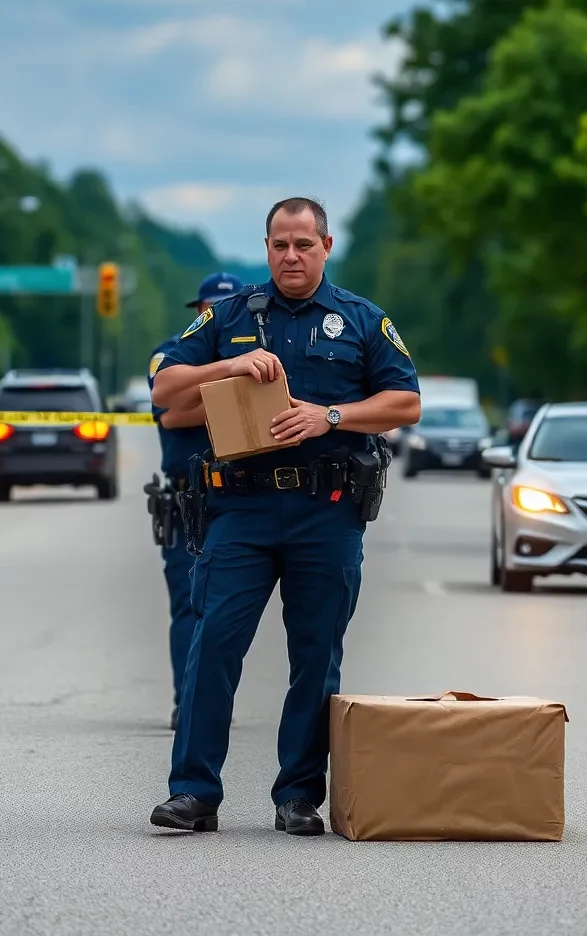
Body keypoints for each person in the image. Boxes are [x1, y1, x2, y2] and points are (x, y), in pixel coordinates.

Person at [149, 197, 421, 836]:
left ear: (326, 246)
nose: (291, 256)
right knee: (213, 644)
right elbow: (164, 391)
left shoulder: (359, 320)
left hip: (324, 511)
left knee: (315, 657)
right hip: (239, 509)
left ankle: (297, 796)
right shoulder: (230, 314)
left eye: (303, 244)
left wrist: (331, 415)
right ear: (266, 247)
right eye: (280, 245)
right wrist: (230, 364)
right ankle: (193, 793)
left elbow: (405, 402)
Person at [147, 271, 244, 732]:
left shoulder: (255, 352)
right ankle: (187, 702)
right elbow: (169, 415)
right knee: (189, 604)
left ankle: (210, 699)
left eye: (221, 308)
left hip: (243, 494)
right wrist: (238, 394)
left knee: (224, 610)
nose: (212, 315)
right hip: (189, 496)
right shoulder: (172, 356)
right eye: (208, 308)